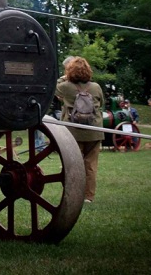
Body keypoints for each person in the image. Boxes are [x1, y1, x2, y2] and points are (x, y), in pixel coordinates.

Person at [55, 56, 104, 203]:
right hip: (94, 131)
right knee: (90, 165)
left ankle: (72, 196)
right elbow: (101, 102)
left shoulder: (65, 87)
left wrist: (64, 77)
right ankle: (88, 197)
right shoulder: (96, 87)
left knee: (71, 165)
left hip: (72, 132)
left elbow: (55, 89)